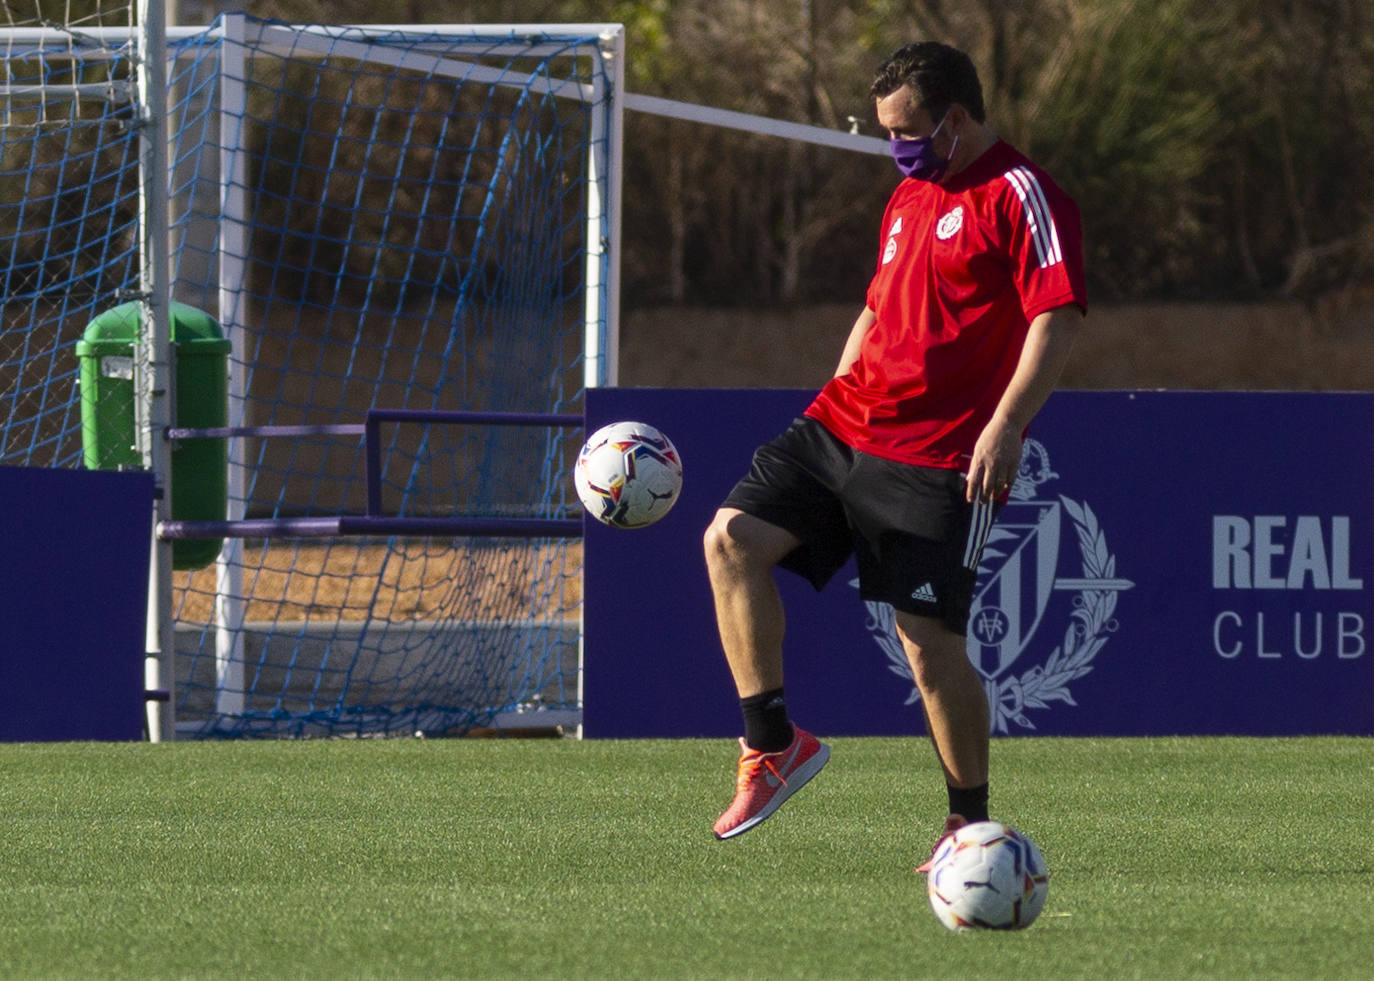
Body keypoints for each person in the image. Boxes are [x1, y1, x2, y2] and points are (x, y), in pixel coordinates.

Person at [702, 41, 1087, 865]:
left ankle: (968, 822)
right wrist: (832, 396)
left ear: (954, 119)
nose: (895, 149)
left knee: (925, 638)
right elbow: (877, 310)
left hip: (939, 452)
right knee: (730, 538)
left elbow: (1056, 317)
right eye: (884, 133)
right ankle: (772, 746)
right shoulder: (909, 196)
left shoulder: (1022, 193)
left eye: (906, 131)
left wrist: (1008, 423)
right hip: (843, 425)